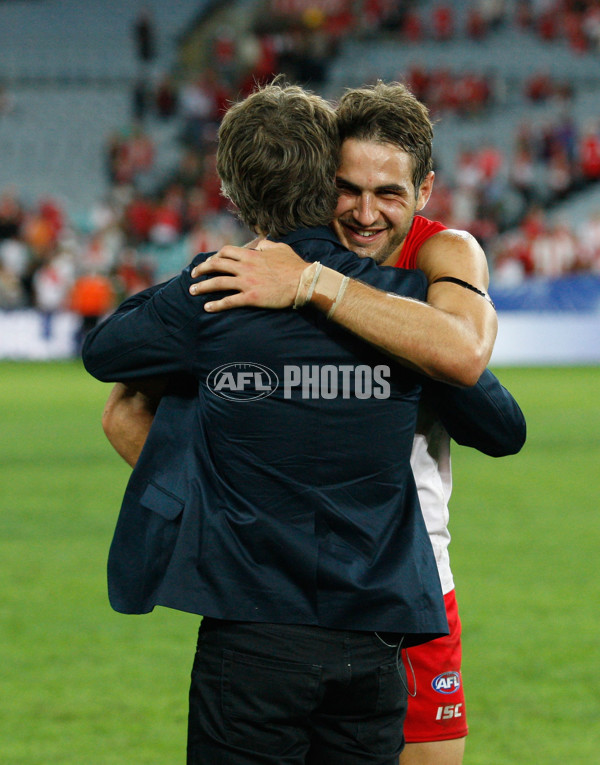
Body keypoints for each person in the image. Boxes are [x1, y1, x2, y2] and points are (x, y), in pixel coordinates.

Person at [82, 81, 450, 765]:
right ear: (328, 177)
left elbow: (105, 352)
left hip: (252, 631)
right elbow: (500, 420)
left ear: (233, 190)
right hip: (373, 635)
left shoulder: (218, 288)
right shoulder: (403, 302)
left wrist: (208, 274)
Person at [167, 81, 523, 764]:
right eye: (346, 187)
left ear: (424, 192)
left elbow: (468, 360)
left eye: (389, 192)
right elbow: (127, 407)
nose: (363, 212)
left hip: (414, 583)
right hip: (280, 596)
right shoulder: (272, 263)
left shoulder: (440, 254)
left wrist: (317, 286)